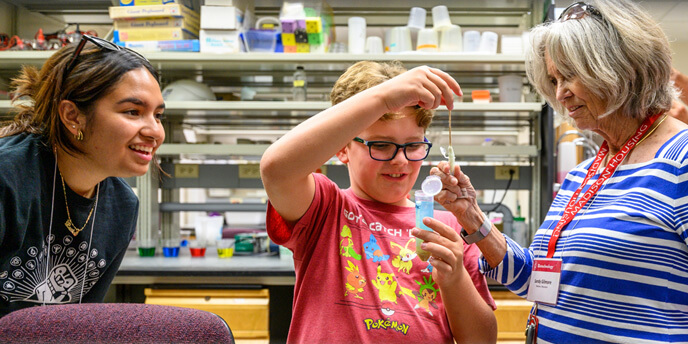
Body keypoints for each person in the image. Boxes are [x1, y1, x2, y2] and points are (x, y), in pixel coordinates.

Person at [413, 1, 688, 343]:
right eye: (555, 79)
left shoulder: (681, 160)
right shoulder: (585, 173)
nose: (560, 92)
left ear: (621, 67)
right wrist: (470, 214)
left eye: (571, 75)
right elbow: (535, 280)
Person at [260, 61, 497, 343]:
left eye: (413, 146)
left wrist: (455, 278)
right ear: (342, 148)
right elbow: (276, 169)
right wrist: (385, 97)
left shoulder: (446, 228)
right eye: (381, 145)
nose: (400, 160)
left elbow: (482, 340)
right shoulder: (324, 209)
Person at [0, 35, 165, 317]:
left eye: (158, 115)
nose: (154, 131)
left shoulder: (122, 205)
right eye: (132, 112)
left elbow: (77, 324)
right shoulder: (8, 179)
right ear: (72, 116)